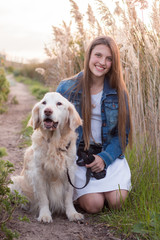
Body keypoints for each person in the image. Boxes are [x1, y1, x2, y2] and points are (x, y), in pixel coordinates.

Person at [56, 36, 132, 213]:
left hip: (108, 155)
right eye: (98, 55)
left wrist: (104, 159)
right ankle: (85, 193)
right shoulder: (66, 88)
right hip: (79, 157)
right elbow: (53, 128)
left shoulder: (118, 92)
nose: (102, 62)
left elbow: (122, 135)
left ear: (113, 63)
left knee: (117, 202)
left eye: (109, 58)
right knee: (94, 205)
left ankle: (110, 186)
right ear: (89, 55)